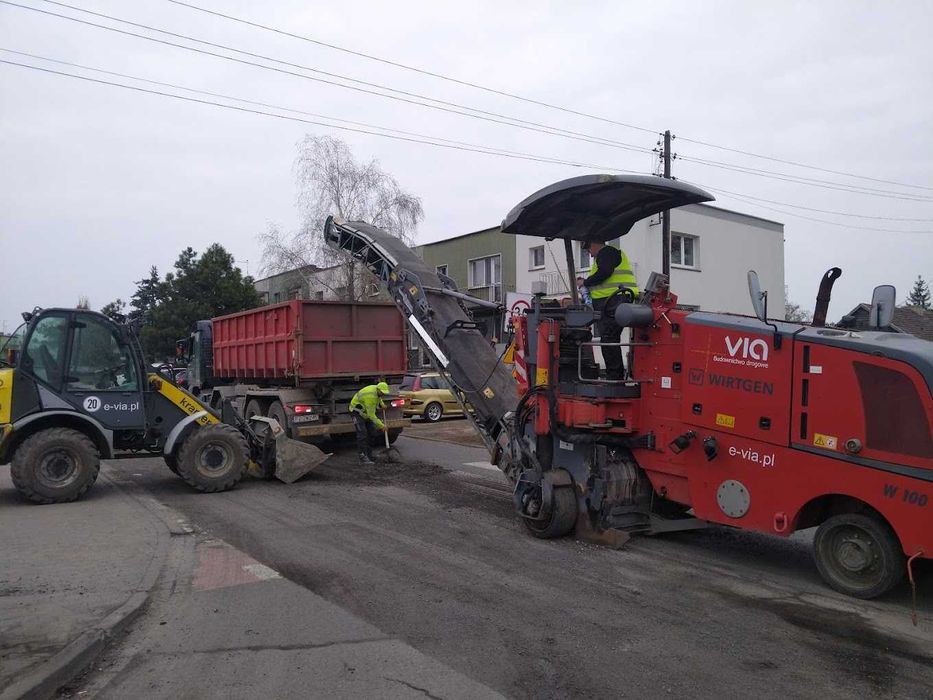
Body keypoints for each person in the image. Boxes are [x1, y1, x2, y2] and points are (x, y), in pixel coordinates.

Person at [581, 237, 639, 380]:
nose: (590, 254)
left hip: (614, 301)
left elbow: (605, 272)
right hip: (613, 301)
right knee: (608, 338)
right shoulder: (607, 255)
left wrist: (585, 282)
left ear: (594, 243)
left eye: (588, 249)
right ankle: (614, 375)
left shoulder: (607, 252)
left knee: (608, 338)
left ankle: (614, 377)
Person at [349, 381, 391, 464]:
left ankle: (369, 455)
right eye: (382, 392)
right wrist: (382, 426)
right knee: (362, 434)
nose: (383, 394)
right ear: (378, 389)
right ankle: (363, 456)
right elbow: (371, 415)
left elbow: (378, 398)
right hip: (357, 412)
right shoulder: (370, 397)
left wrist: (382, 404)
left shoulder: (376, 390)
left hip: (365, 412)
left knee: (372, 433)